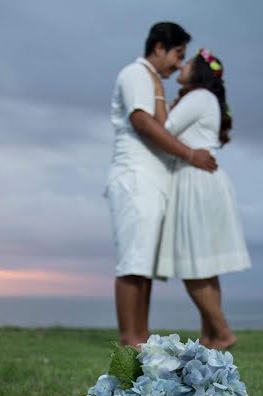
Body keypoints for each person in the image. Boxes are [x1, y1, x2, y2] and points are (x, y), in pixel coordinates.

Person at [104, 22, 218, 347]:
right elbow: (142, 122)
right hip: (136, 176)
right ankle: (131, 340)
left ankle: (141, 339)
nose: (179, 64)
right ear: (159, 48)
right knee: (133, 262)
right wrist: (190, 155)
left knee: (144, 266)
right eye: (178, 55)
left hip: (153, 181)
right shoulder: (135, 74)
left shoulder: (153, 81)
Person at [154, 49, 251, 350]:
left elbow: (163, 130)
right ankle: (210, 336)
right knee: (204, 265)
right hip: (205, 181)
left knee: (193, 263)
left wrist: (158, 93)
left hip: (195, 181)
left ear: (198, 73)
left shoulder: (197, 98)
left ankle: (222, 333)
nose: (181, 66)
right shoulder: (203, 99)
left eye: (188, 63)